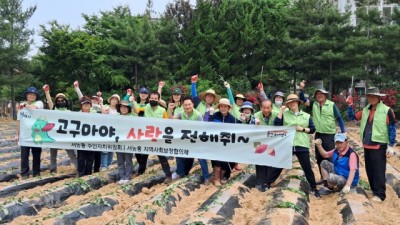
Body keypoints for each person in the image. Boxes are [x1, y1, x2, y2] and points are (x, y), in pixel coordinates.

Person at [274, 94, 321, 199]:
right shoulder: (285, 114)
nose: (292, 104)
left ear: (298, 103)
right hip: (288, 144)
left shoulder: (306, 116)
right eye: (289, 102)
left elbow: (312, 129)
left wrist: (302, 129)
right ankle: (268, 183)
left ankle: (314, 188)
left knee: (307, 167)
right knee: (280, 164)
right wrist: (281, 111)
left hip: (302, 144)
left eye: (294, 101)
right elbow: (277, 125)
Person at [355, 87, 397, 202]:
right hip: (367, 144)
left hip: (379, 144)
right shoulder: (365, 110)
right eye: (370, 96)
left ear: (379, 97)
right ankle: (374, 190)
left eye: (374, 96)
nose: (372, 98)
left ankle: (380, 194)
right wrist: (349, 105)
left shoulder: (386, 110)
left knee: (378, 170)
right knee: (370, 169)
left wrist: (391, 145)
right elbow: (352, 117)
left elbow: (392, 127)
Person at [298, 80, 345, 182]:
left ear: (325, 95)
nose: (319, 95)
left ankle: (330, 179)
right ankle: (323, 178)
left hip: (329, 135)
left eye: (321, 94)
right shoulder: (314, 104)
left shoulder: (331, 105)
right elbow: (302, 99)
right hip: (318, 134)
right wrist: (301, 89)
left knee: (328, 157)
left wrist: (343, 131)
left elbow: (339, 118)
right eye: (317, 94)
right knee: (319, 157)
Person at [131, 91, 173, 183]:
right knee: (143, 156)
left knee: (162, 156)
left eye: (155, 98)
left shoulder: (162, 111)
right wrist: (133, 101)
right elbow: (137, 113)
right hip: (147, 137)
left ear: (158, 100)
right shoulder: (144, 108)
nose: (153, 100)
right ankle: (140, 172)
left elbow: (167, 123)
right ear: (149, 99)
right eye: (152, 98)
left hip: (158, 138)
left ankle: (168, 175)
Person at [168, 96, 211, 185]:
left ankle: (206, 177)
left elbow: (201, 130)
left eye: (189, 105)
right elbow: (171, 119)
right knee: (178, 154)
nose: (187, 107)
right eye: (185, 105)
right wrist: (170, 110)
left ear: (193, 104)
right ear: (183, 106)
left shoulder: (198, 115)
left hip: (196, 140)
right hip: (186, 140)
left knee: (201, 158)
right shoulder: (181, 113)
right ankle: (180, 173)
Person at [43, 84, 77, 173]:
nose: (60, 101)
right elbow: (49, 101)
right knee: (53, 154)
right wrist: (47, 91)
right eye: (58, 100)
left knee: (72, 154)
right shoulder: (54, 110)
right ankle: (53, 170)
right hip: (55, 136)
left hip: (66, 137)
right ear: (56, 102)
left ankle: (78, 168)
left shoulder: (69, 112)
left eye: (62, 100)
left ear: (65, 101)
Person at [208, 98, 240, 186]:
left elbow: (239, 129)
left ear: (228, 108)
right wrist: (210, 115)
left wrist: (242, 120)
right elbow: (208, 126)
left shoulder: (232, 119)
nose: (223, 108)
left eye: (225, 106)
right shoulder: (215, 115)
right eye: (221, 106)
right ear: (219, 107)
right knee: (216, 160)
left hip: (227, 144)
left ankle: (222, 177)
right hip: (215, 143)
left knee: (225, 161)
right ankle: (216, 178)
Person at [253, 100, 282, 192]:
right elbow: (250, 130)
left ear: (271, 108)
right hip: (258, 141)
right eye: (264, 108)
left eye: (268, 108)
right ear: (261, 108)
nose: (266, 110)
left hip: (272, 141)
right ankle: (259, 181)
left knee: (270, 159)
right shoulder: (256, 115)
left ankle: (268, 182)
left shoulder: (277, 114)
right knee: (259, 160)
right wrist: (256, 125)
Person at [16, 87, 44, 179]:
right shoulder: (21, 107)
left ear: (36, 96)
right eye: (30, 94)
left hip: (36, 134)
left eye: (34, 94)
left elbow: (34, 108)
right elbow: (19, 121)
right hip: (24, 135)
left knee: (36, 154)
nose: (32, 96)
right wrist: (18, 134)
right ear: (27, 95)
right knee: (24, 156)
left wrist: (23, 105)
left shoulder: (39, 103)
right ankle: (24, 173)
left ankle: (36, 173)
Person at [77, 96, 97, 177]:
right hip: (80, 139)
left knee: (90, 157)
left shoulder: (95, 114)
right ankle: (81, 173)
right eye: (84, 104)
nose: (86, 105)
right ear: (81, 105)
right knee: (81, 157)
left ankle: (88, 173)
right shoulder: (76, 115)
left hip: (91, 139)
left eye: (88, 103)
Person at [99, 94, 120, 171]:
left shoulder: (119, 110)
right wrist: (101, 103)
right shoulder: (106, 107)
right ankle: (103, 165)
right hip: (105, 130)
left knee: (111, 149)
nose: (114, 101)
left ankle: (109, 164)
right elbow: (103, 112)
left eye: (116, 99)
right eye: (113, 99)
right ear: (110, 100)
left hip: (114, 131)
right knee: (104, 149)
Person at [115, 100, 134, 184]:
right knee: (120, 160)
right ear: (119, 108)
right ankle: (121, 176)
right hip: (118, 142)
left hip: (128, 142)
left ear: (128, 109)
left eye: (125, 107)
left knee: (128, 160)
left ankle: (128, 176)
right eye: (122, 107)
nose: (123, 109)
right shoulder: (115, 117)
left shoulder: (132, 117)